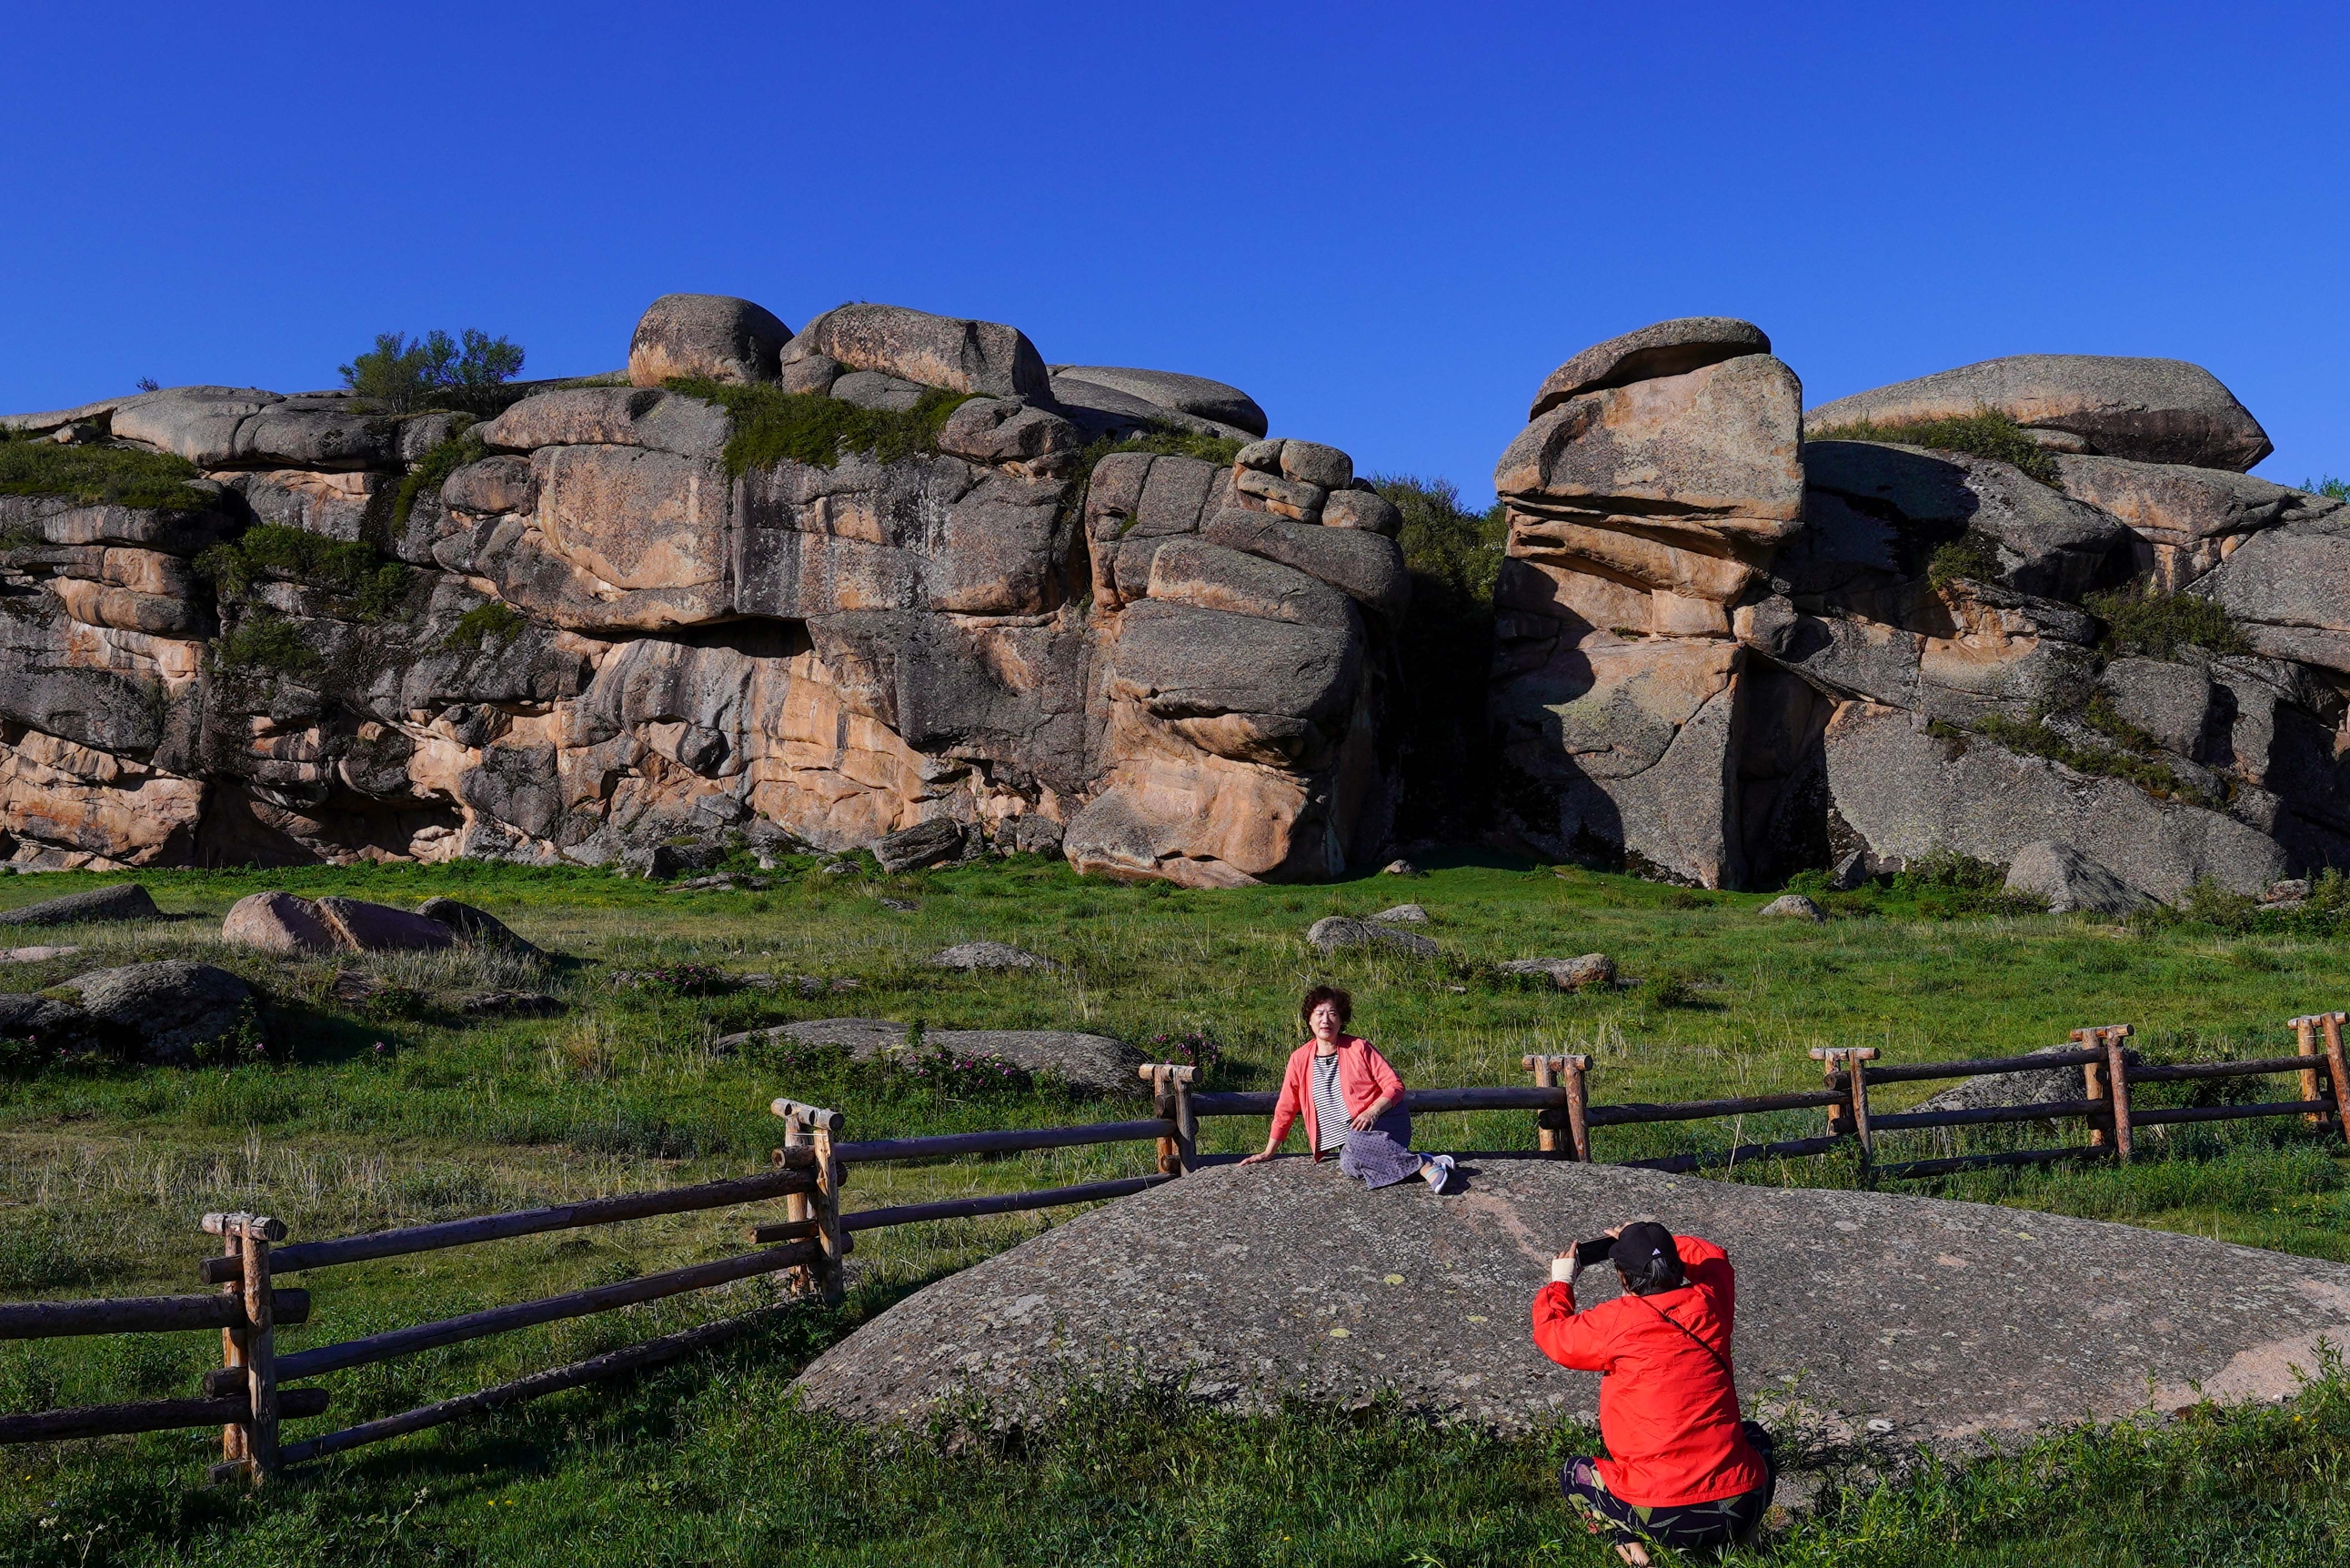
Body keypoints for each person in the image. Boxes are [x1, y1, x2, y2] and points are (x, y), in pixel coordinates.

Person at [1530, 1221, 1774, 1565]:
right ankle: (1749, 1541)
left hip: (1661, 1515)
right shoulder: (1710, 1303)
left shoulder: (1613, 1322)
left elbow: (1553, 1335)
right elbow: (1714, 1258)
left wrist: (1561, 1282)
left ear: (1623, 1278)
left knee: (1575, 1474)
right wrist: (1659, 1242)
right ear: (1676, 1265)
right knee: (1755, 1435)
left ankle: (1638, 1558)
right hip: (1742, 1501)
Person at [1240, 985, 1457, 1193]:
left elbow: (1395, 1086)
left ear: (1341, 1019)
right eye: (1319, 1013)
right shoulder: (1299, 1059)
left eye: (1333, 1013)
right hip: (1352, 1142)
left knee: (1354, 1139)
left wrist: (1372, 1111)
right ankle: (1424, 1160)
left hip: (1385, 1123)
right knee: (1349, 1165)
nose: (1326, 1020)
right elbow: (1286, 1107)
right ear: (1309, 1019)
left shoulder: (1359, 1047)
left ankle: (1425, 1168)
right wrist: (1269, 1152)